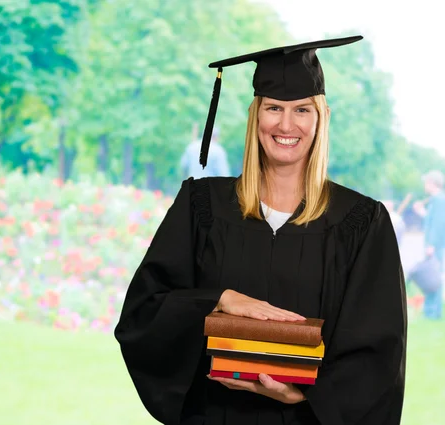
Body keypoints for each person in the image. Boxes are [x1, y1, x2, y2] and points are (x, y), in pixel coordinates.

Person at [114, 35, 407, 425]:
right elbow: (143, 314)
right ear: (256, 116)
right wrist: (220, 299)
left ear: (322, 117)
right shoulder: (201, 207)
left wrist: (302, 395)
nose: (286, 124)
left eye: (302, 109)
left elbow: (377, 355)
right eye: (273, 108)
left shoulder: (361, 223)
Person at [413, 169, 445, 319]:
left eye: (426, 182)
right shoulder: (435, 199)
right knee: (431, 276)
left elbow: (438, 225)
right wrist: (421, 212)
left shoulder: (438, 199)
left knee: (433, 277)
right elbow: (431, 221)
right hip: (433, 245)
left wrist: (431, 244)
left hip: (435, 246)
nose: (425, 185)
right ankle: (430, 311)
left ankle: (434, 312)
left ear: (432, 183)